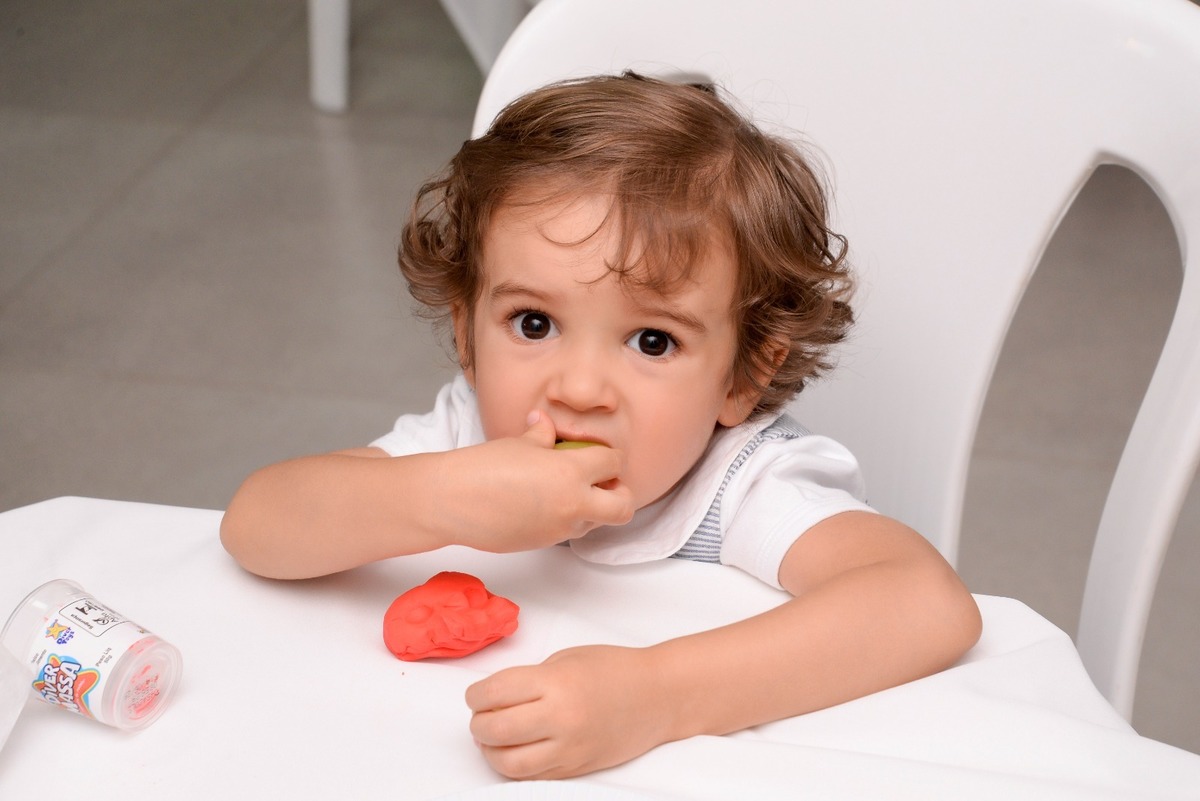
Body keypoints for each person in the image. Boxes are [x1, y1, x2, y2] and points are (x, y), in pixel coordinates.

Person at [220, 71, 982, 780]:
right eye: (533, 322)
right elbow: (255, 525)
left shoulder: (744, 485)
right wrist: (436, 496)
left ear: (744, 374)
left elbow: (925, 604)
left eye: (652, 340)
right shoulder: (463, 439)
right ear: (466, 333)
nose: (580, 388)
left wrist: (658, 695)